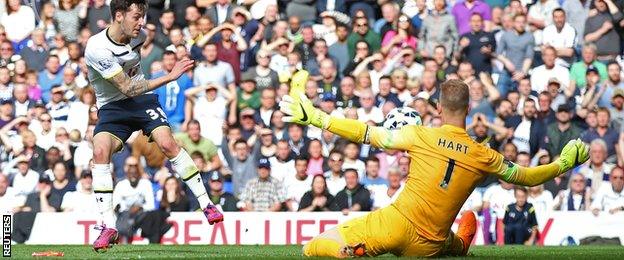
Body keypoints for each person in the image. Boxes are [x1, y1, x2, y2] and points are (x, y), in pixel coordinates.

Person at [280, 70, 589, 257]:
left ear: (439, 108)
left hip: (394, 225)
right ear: (468, 108)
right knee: (445, 241)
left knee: (314, 246)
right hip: (428, 245)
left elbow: (365, 133)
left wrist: (316, 117)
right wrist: (564, 162)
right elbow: (528, 176)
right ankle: (461, 245)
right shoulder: (485, 155)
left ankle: (345, 252)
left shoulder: (419, 135)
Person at [83, 0, 222, 251]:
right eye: (136, 17)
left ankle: (206, 203)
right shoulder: (97, 48)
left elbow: (135, 84)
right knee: (99, 151)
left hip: (141, 102)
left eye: (143, 16)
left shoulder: (140, 35)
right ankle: (108, 225)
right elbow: (126, 86)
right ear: (118, 15)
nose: (142, 23)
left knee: (168, 143)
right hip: (112, 107)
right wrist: (168, 76)